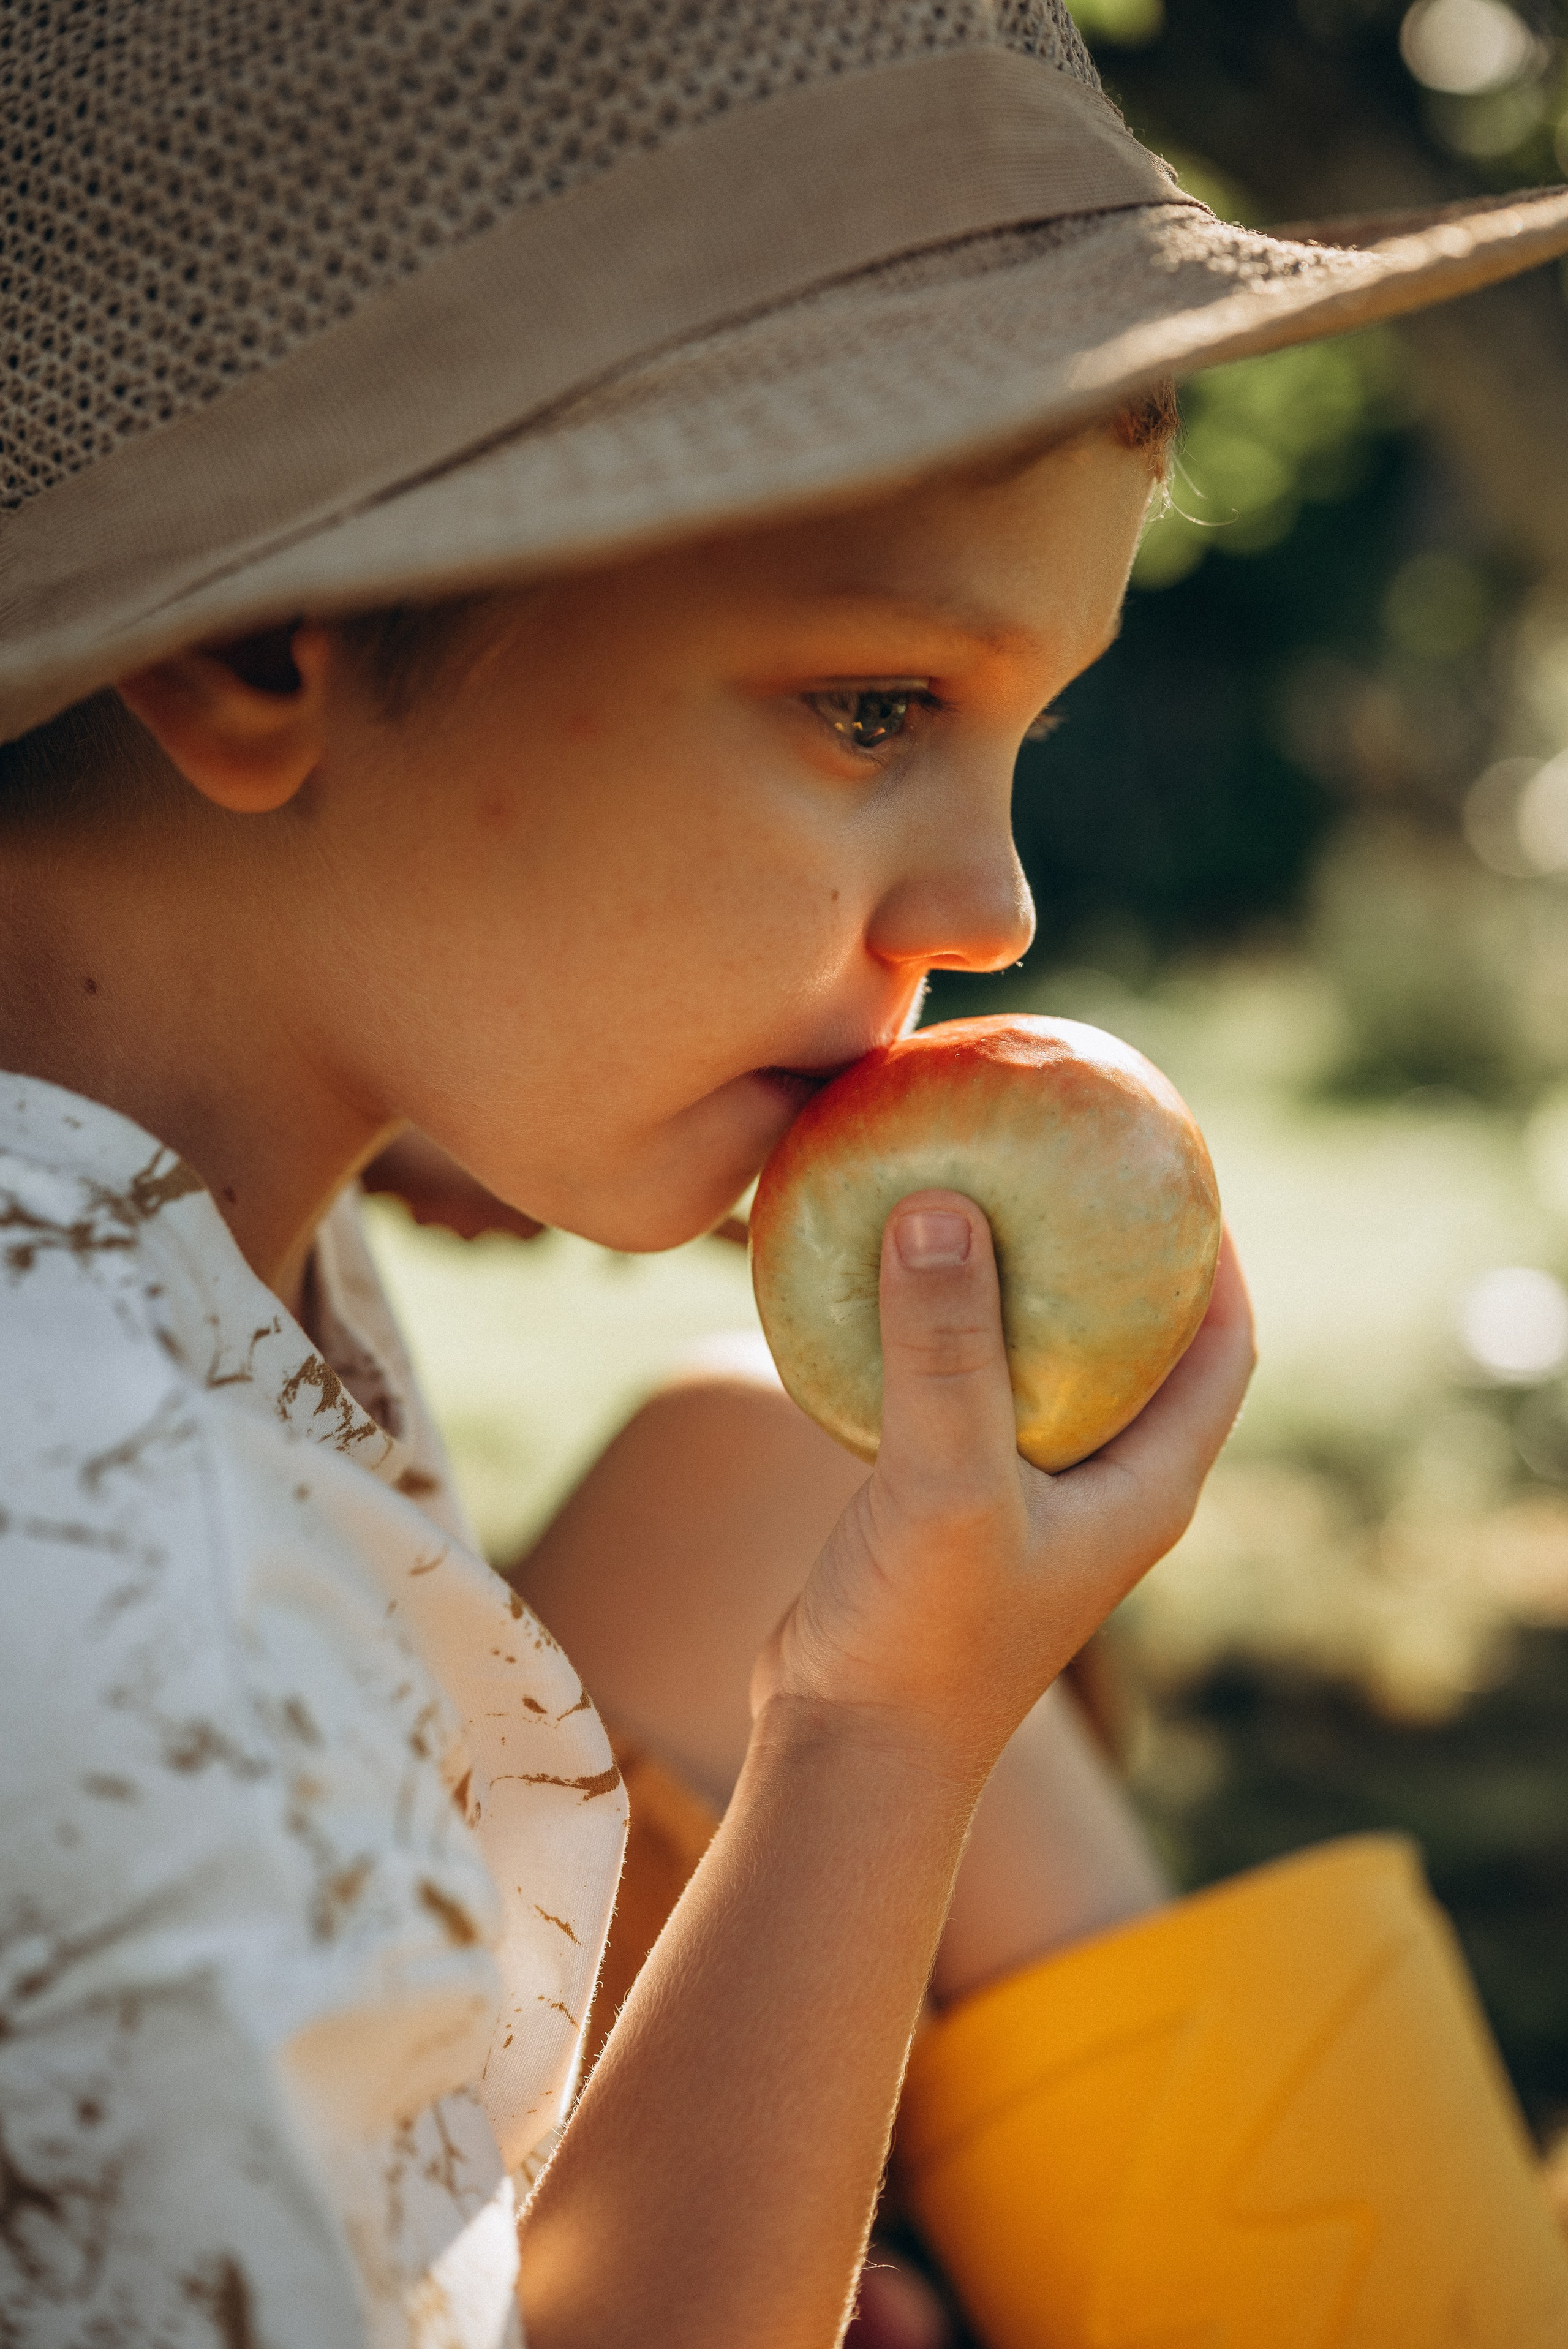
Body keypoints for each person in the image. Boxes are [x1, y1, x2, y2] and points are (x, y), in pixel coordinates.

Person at [2, 6, 1566, 2345]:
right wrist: (886, 1731)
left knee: (750, 1458)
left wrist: (402, 1100)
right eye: (873, 708)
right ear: (251, 648)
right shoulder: (107, 1612)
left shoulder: (198, 1176)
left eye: (1019, 726)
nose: (996, 912)